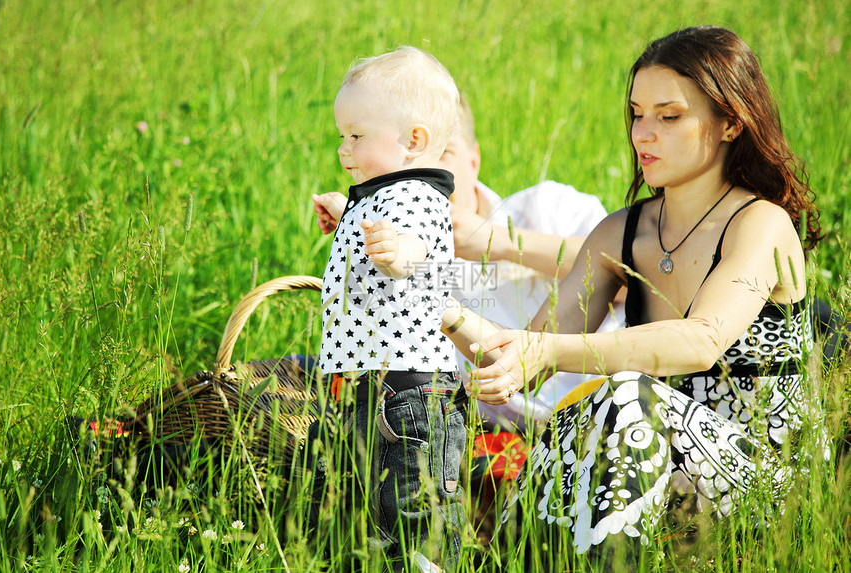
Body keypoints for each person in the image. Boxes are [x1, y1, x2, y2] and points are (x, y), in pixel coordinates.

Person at [439, 26, 823, 563]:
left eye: (669, 117)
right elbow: (529, 351)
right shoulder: (622, 233)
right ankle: (507, 560)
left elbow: (702, 341)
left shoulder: (760, 223)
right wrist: (436, 303)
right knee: (584, 413)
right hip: (653, 464)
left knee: (619, 395)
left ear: (731, 122)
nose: (644, 134)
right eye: (637, 114)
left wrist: (546, 352)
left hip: (765, 476)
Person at [317, 94, 624, 434]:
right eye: (406, 163)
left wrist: (495, 240)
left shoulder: (547, 207)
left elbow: (633, 280)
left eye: (442, 153)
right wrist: (365, 239)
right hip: (530, 435)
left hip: (616, 402)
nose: (423, 174)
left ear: (474, 160)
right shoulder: (402, 270)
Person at [307, 46, 466, 568]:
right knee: (364, 514)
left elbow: (419, 241)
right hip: (370, 386)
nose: (342, 147)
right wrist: (344, 210)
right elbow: (378, 222)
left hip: (408, 392)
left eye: (355, 135)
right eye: (342, 135)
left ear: (413, 140)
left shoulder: (417, 194)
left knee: (413, 516)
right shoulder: (382, 193)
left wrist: (402, 251)